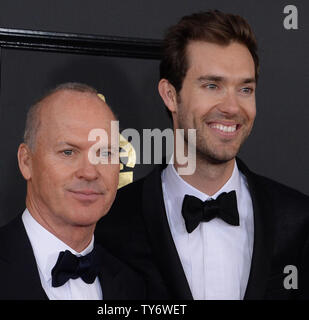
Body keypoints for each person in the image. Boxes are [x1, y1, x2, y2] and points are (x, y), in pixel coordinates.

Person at [96, 10, 309, 299]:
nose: (232, 107)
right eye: (212, 86)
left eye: (245, 89)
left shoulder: (297, 219)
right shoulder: (111, 222)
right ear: (171, 95)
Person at [0, 83, 145, 300]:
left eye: (104, 153)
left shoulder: (135, 286)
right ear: (26, 162)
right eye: (68, 152)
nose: (89, 172)